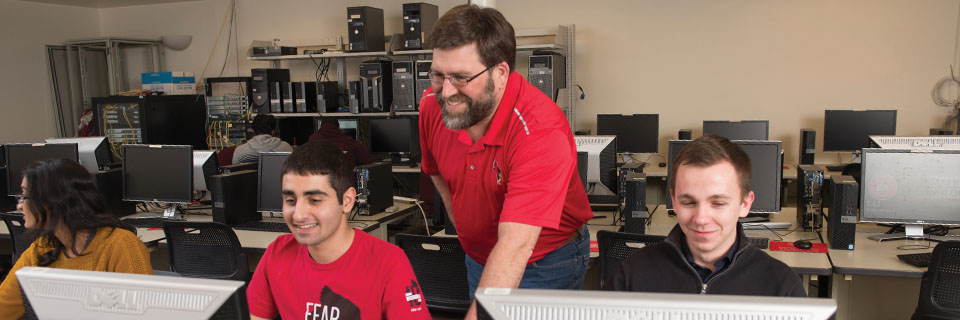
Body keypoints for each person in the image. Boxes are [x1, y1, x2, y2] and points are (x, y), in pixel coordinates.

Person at [419, 4, 594, 316]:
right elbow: (437, 174)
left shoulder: (540, 131)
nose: (445, 92)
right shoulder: (433, 107)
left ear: (499, 73)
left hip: (545, 260)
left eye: (460, 77)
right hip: (479, 256)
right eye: (437, 74)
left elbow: (515, 246)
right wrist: (467, 232)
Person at [604, 135, 806, 297]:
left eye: (718, 203)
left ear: (745, 204)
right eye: (688, 202)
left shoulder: (782, 286)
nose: (701, 218)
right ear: (673, 200)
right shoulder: (633, 274)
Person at [246, 142, 430, 320]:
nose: (299, 215)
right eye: (290, 200)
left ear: (348, 201)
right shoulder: (276, 254)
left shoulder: (389, 262)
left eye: (315, 200)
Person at [0, 159, 153, 318]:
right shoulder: (43, 248)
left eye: (24, 197)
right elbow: (4, 308)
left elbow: (141, 314)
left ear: (50, 202)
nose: (19, 205)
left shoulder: (121, 245)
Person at [308, 118, 375, 167]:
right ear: (338, 127)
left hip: (319, 182)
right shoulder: (349, 141)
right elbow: (369, 160)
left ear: (321, 127)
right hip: (344, 182)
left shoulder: (313, 140)